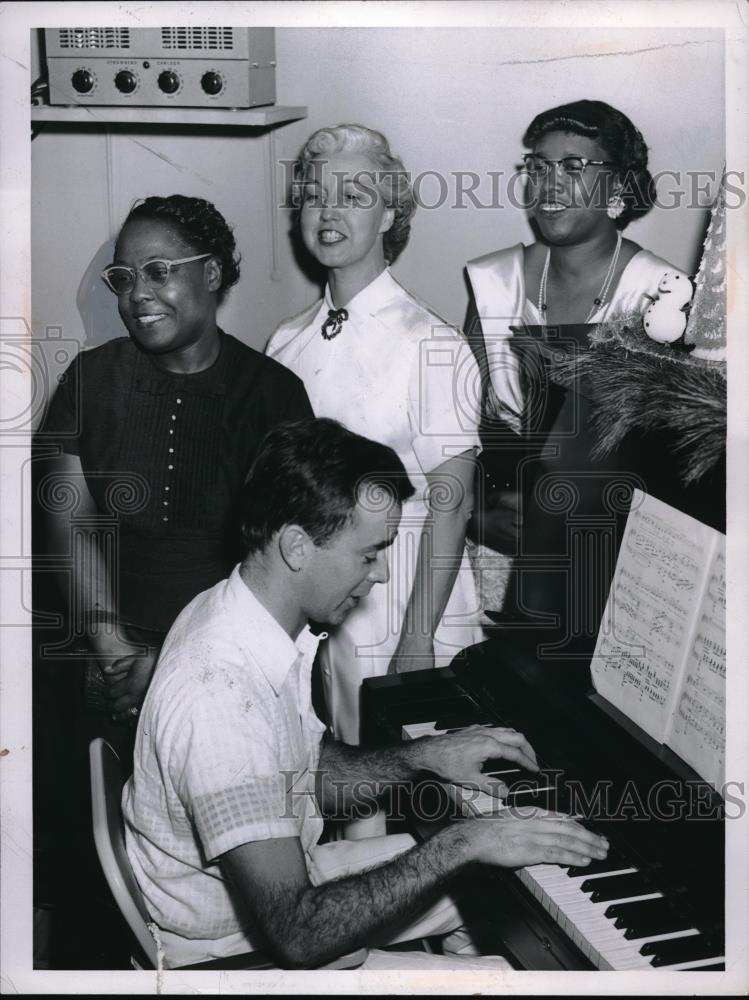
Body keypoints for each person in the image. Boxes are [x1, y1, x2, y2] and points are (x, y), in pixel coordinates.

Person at [123, 417, 609, 970]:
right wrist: (462, 841)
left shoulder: (240, 614)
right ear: (297, 546)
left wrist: (424, 758)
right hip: (238, 955)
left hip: (285, 890)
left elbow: (299, 771)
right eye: (368, 553)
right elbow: (298, 934)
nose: (380, 575)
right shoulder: (217, 694)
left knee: (512, 871)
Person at [37, 194, 313, 749]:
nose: (138, 294)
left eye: (159, 272)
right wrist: (113, 650)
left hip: (229, 662)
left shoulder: (274, 395)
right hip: (98, 657)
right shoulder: (91, 380)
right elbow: (69, 525)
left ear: (211, 274)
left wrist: (172, 665)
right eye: (124, 277)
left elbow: (283, 561)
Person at [267, 124, 483, 746]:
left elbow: (453, 503)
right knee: (349, 802)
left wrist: (417, 646)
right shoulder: (284, 344)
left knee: (428, 797)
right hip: (318, 610)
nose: (329, 212)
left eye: (355, 196)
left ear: (390, 214)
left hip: (412, 608)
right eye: (315, 195)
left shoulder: (432, 344)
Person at [464, 100, 689, 615]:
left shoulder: (660, 298)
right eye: (539, 168)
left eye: (572, 167)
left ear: (618, 188)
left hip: (603, 571)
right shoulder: (495, 283)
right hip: (491, 553)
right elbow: (459, 429)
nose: (549, 185)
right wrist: (477, 515)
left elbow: (667, 473)